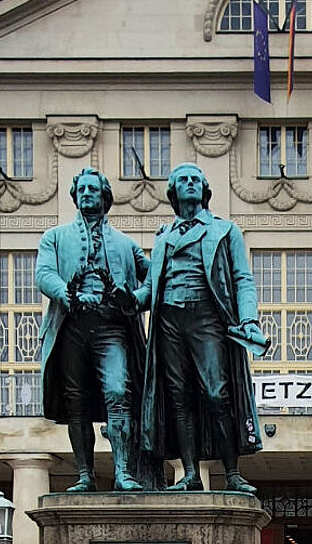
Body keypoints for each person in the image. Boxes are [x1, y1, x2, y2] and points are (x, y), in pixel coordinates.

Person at [140, 163, 268, 494]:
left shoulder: (225, 230)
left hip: (206, 317)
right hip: (168, 318)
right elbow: (150, 289)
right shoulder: (164, 237)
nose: (191, 184)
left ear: (205, 190)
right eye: (184, 180)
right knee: (178, 398)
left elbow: (242, 279)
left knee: (217, 393)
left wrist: (249, 319)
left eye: (196, 180)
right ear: (173, 192)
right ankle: (190, 473)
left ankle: (232, 472)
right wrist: (123, 297)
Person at [36, 169, 150, 491]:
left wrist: (136, 298)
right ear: (75, 196)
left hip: (112, 326)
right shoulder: (55, 237)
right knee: (77, 401)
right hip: (72, 326)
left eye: (93, 189)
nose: (87, 193)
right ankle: (85, 475)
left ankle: (124, 472)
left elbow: (155, 276)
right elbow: (44, 273)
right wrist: (67, 295)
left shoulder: (125, 244)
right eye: (82, 189)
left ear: (105, 197)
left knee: (118, 391)